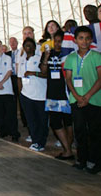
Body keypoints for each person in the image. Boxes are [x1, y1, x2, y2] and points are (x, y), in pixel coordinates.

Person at [64, 26, 101, 174]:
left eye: (87, 38)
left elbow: (100, 78)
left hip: (94, 100)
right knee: (79, 131)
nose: (84, 41)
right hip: (76, 100)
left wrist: (87, 96)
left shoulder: (97, 56)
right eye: (81, 38)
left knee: (95, 132)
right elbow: (68, 79)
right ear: (75, 40)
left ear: (91, 40)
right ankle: (82, 159)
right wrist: (78, 97)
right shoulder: (71, 58)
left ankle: (95, 161)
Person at [40, 30, 73, 160]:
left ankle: (68, 149)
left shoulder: (69, 55)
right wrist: (46, 57)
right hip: (53, 93)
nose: (59, 44)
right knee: (55, 122)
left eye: (61, 41)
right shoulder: (48, 53)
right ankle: (68, 149)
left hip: (66, 92)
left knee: (68, 122)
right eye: (57, 41)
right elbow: (43, 71)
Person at [18, 38, 48, 152]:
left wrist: (33, 73)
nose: (28, 48)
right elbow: (20, 78)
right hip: (26, 95)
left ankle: (41, 141)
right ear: (24, 47)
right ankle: (36, 141)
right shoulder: (22, 60)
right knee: (31, 120)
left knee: (42, 120)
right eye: (26, 46)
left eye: (31, 46)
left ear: (35, 48)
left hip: (40, 94)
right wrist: (21, 93)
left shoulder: (39, 58)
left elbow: (45, 74)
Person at [0, 40, 20, 142]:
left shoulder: (7, 58)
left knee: (10, 113)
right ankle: (3, 131)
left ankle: (14, 133)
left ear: (2, 47)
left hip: (7, 90)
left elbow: (9, 71)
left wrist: (1, 82)